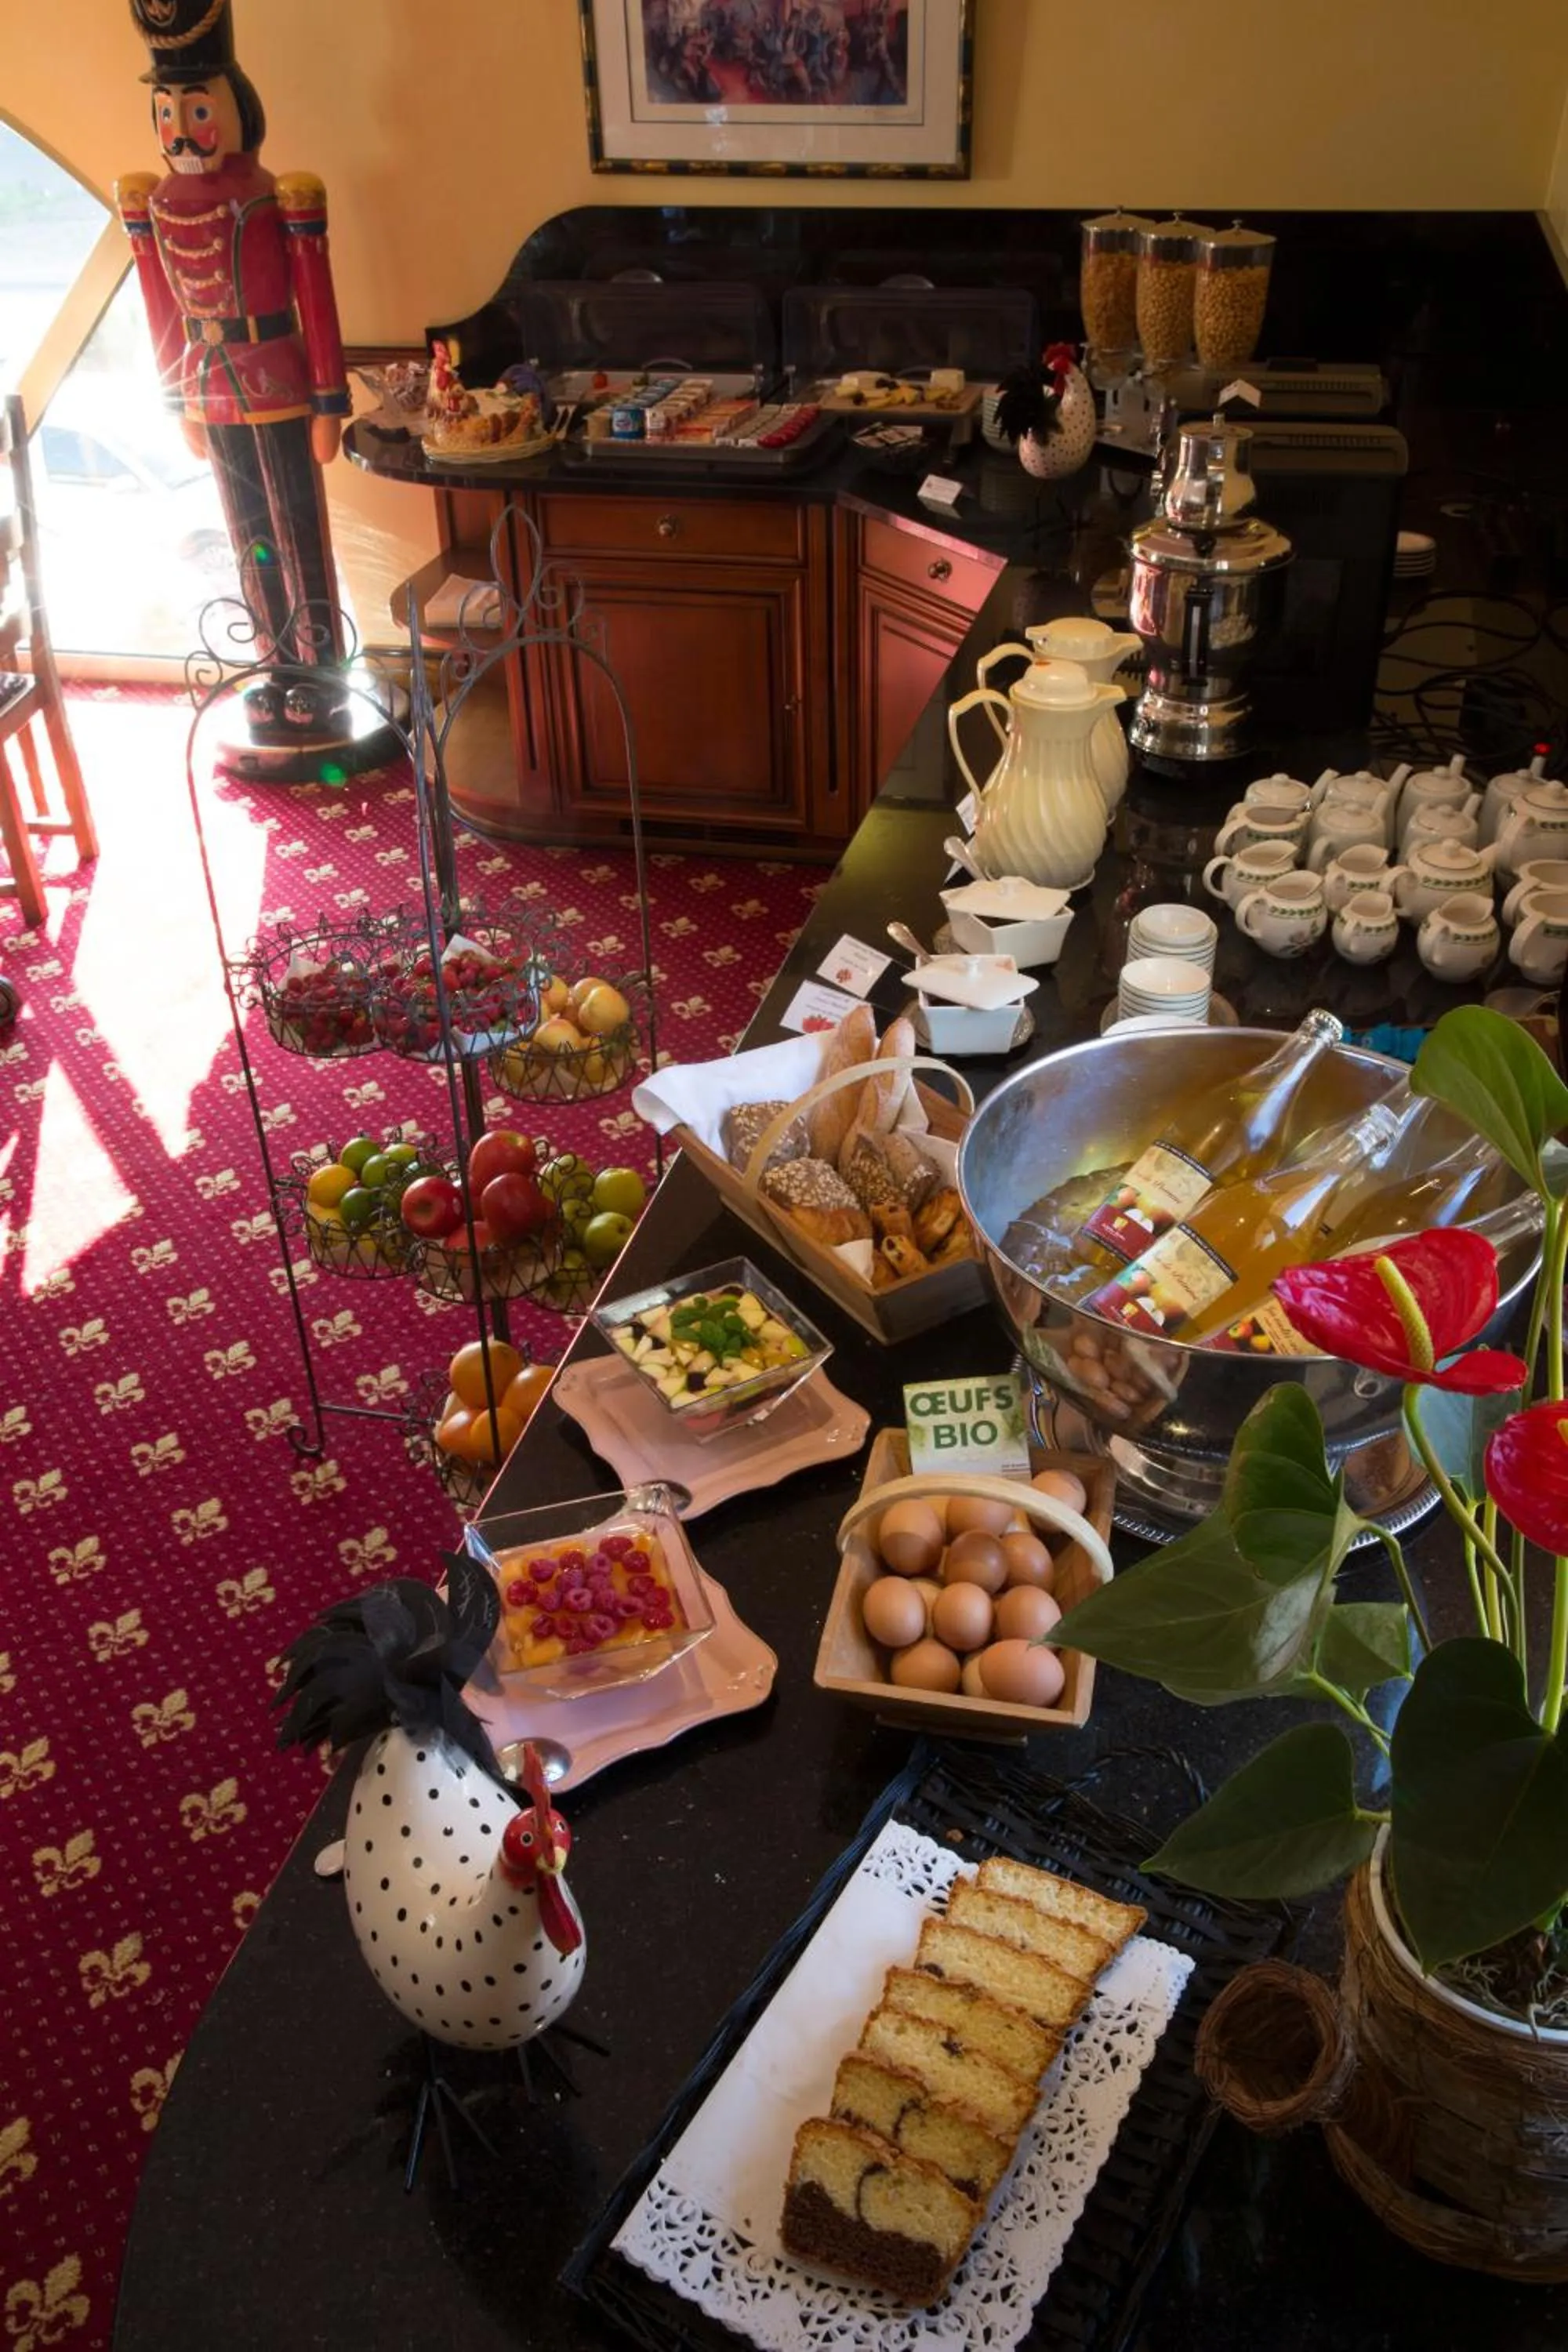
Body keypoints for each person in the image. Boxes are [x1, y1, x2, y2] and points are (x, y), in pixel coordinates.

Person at [114, 0, 352, 746]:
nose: (181, 130)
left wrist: (327, 400)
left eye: (197, 108)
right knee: (244, 528)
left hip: (276, 380)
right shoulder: (152, 201)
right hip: (209, 384)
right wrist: (176, 398)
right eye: (167, 111)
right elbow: (159, 304)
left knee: (295, 522)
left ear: (236, 108)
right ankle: (274, 664)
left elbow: (316, 300)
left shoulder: (276, 194)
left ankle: (323, 670)